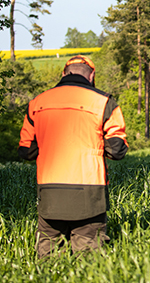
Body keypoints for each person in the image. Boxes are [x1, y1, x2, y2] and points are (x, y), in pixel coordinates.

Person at [18, 55, 129, 258]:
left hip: (49, 190)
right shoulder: (104, 102)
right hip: (89, 189)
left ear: (64, 73)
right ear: (92, 75)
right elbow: (117, 150)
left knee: (49, 252)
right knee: (89, 255)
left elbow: (26, 150)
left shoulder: (37, 103)